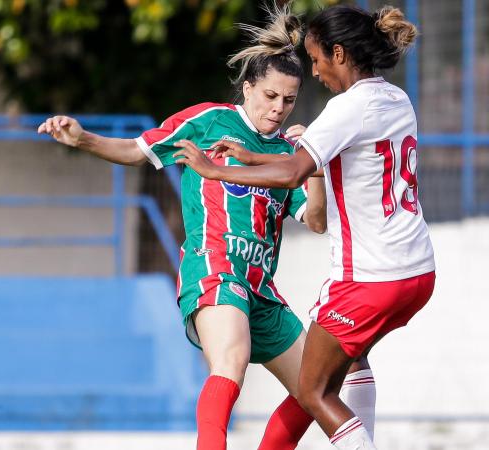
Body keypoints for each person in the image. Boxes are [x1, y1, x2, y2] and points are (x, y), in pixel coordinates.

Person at [38, 6, 337, 449]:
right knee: (230, 361)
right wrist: (83, 139)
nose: (277, 109)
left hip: (261, 287)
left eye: (289, 100)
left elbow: (315, 221)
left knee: (319, 389)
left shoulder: (286, 154)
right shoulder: (209, 120)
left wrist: (313, 162)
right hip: (214, 268)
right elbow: (138, 151)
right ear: (248, 87)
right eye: (270, 96)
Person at [173, 5, 435, 449]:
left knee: (313, 390)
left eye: (316, 59)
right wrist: (253, 156)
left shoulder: (347, 107)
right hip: (418, 272)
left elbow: (294, 173)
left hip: (368, 277)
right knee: (349, 360)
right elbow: (300, 161)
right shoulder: (395, 99)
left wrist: (219, 171)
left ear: (339, 53)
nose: (314, 72)